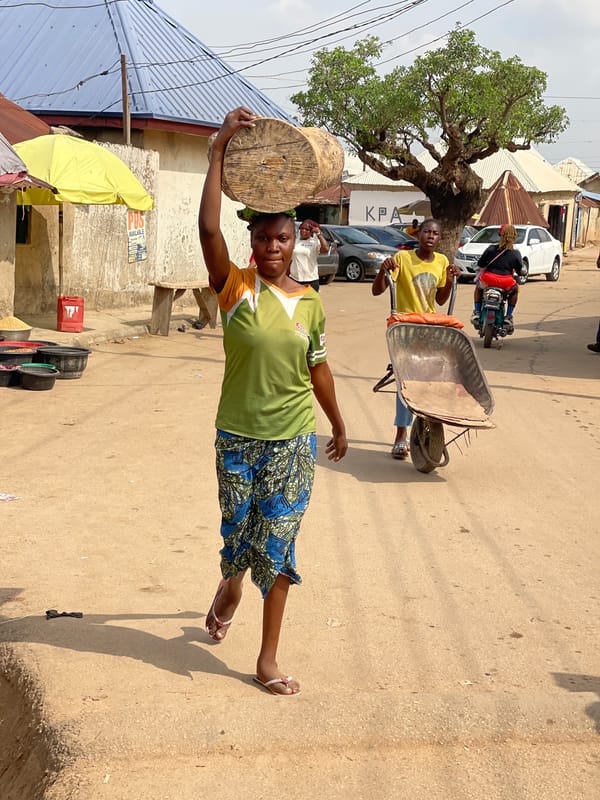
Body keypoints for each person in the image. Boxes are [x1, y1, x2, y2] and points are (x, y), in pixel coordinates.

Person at [198, 106, 348, 697]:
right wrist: (217, 151)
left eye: (281, 238)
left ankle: (267, 657)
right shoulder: (235, 288)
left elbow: (318, 367)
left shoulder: (310, 303)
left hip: (291, 441)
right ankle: (231, 585)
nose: (272, 247)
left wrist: (338, 423)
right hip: (237, 436)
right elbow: (209, 232)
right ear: (253, 243)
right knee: (238, 536)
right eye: (262, 238)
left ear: (295, 240)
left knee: (278, 545)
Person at [371, 218, 459, 459]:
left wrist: (450, 279)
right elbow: (377, 290)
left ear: (439, 239)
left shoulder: (442, 262)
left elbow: (440, 300)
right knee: (406, 380)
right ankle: (401, 434)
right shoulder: (402, 258)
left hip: (429, 329)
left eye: (435, 233)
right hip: (404, 328)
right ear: (418, 234)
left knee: (432, 378)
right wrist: (383, 270)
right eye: (426, 231)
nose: (430, 236)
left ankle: (429, 419)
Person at [471, 224, 524, 333]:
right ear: (514, 237)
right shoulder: (515, 253)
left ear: (500, 235)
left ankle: (477, 312)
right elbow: (520, 271)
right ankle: (508, 316)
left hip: (488, 280)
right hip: (506, 283)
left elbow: (481, 264)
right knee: (515, 290)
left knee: (478, 288)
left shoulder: (491, 249)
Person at [290, 219, 328, 292]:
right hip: (295, 279)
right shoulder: (295, 241)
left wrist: (319, 234)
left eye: (307, 229)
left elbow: (326, 249)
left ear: (311, 231)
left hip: (311, 280)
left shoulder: (314, 242)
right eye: (302, 228)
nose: (303, 231)